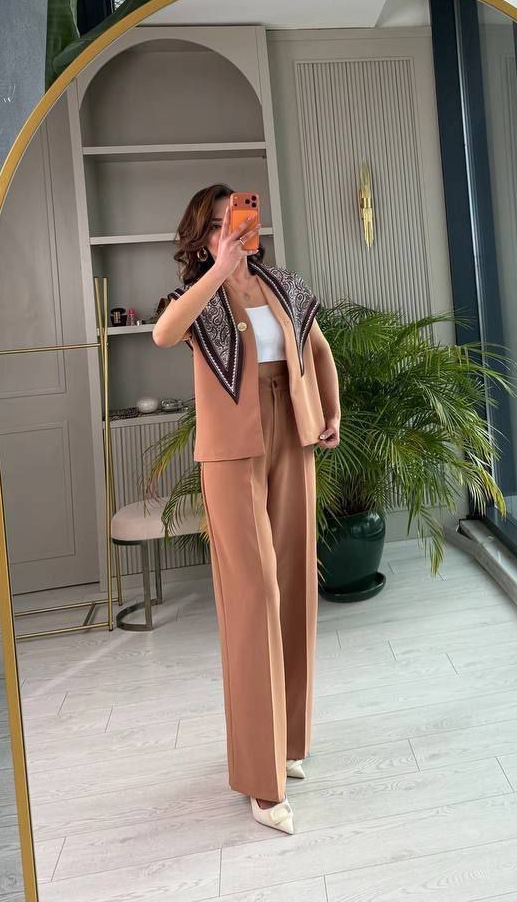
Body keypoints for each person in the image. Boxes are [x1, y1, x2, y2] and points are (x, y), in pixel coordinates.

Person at [153, 183, 341, 835]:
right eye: (213, 226)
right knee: (253, 596)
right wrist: (219, 270)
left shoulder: (281, 285)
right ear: (199, 237)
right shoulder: (196, 295)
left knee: (294, 587)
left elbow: (317, 347)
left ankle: (285, 745)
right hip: (232, 453)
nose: (227, 232)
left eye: (234, 220)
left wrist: (331, 410)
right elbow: (163, 333)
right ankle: (260, 783)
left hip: (292, 434)